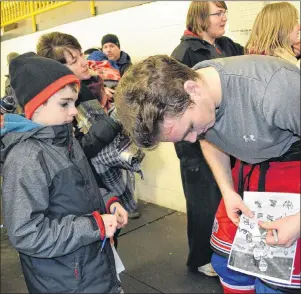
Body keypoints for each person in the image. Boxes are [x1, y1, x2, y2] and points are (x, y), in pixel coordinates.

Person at [114, 52, 300, 294]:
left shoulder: (276, 90)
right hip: (249, 173)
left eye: (191, 128)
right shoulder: (196, 97)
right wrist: (227, 189)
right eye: (184, 136)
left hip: (291, 170)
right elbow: (209, 140)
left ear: (193, 89)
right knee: (228, 264)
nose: (193, 138)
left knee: (277, 282)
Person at [0, 52, 128, 293]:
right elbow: (26, 233)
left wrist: (107, 201)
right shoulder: (26, 158)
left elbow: (80, 188)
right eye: (64, 103)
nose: (73, 112)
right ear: (36, 106)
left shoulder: (66, 140)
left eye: (74, 102)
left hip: (92, 267)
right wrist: (94, 226)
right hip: (64, 281)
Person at [170, 1, 244, 276]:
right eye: (219, 13)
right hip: (197, 145)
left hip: (225, 138)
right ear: (201, 17)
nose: (224, 17)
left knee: (226, 198)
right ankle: (201, 258)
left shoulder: (229, 46)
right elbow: (177, 106)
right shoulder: (184, 53)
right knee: (203, 201)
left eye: (225, 12)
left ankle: (224, 250)